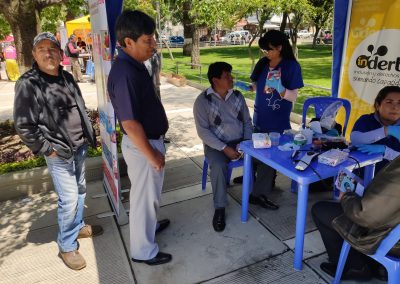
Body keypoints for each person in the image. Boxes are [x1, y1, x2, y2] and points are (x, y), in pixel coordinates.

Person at [13, 32, 103, 270]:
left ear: (61, 54)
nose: (48, 53)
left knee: (81, 190)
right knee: (70, 198)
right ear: (34, 54)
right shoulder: (28, 83)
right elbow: (24, 125)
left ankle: (78, 226)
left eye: (52, 48)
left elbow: (79, 107)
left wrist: (87, 134)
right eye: (41, 48)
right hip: (59, 152)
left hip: (79, 146)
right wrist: (47, 149)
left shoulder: (66, 77)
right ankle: (67, 245)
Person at [107, 10, 171, 266]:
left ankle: (148, 228)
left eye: (153, 39)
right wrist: (152, 154)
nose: (153, 45)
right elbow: (130, 124)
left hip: (148, 142)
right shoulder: (125, 73)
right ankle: (144, 251)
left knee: (148, 197)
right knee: (144, 199)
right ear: (128, 42)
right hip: (142, 145)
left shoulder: (133, 66)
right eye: (148, 40)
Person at [234, 30, 304, 210]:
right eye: (264, 49)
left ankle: (261, 192)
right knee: (257, 148)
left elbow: (293, 96)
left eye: (269, 49)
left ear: (280, 47)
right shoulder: (263, 63)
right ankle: (257, 178)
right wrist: (245, 86)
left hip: (277, 118)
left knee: (271, 152)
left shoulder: (291, 67)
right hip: (260, 114)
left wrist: (281, 90)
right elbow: (256, 86)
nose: (266, 53)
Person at [312, 156, 400, 281]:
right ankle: (378, 268)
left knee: (320, 210)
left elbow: (365, 216)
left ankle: (354, 268)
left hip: (388, 239)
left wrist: (347, 196)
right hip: (393, 232)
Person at [193, 62, 253, 232]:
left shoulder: (238, 96)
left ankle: (256, 195)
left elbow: (248, 122)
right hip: (216, 145)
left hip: (240, 141)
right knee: (219, 166)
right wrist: (224, 148)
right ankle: (220, 208)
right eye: (227, 76)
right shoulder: (203, 101)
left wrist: (245, 143)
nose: (232, 78)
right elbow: (203, 132)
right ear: (215, 80)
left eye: (230, 75)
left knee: (265, 156)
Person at [351, 86, 400, 173]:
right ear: (377, 105)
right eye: (389, 102)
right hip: (359, 175)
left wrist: (386, 151)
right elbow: (356, 140)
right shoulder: (366, 120)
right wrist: (387, 131)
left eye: (399, 103)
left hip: (391, 181)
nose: (395, 107)